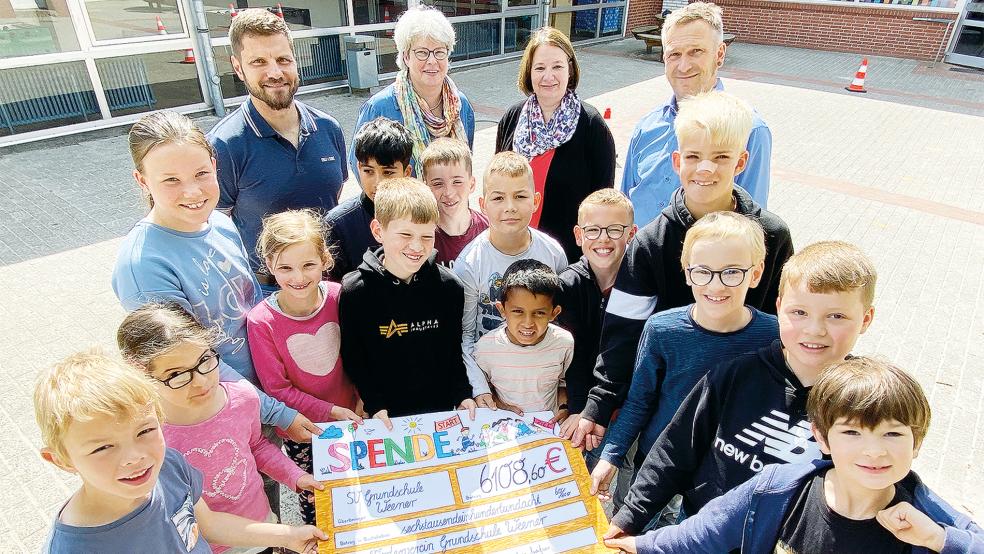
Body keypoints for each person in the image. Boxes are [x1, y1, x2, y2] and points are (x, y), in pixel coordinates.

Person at [603, 240, 877, 539]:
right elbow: (674, 453)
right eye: (799, 312)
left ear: (866, 319)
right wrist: (629, 519)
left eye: (836, 316)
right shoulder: (733, 376)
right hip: (702, 535)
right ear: (779, 307)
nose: (815, 330)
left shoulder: (866, 402)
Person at [572, 90, 792, 452]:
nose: (705, 168)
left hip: (739, 415)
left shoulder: (773, 236)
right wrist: (600, 402)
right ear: (677, 160)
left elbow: (779, 327)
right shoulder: (649, 244)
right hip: (664, 414)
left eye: (721, 157)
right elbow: (622, 332)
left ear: (741, 161)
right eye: (694, 156)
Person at [608, 357, 984, 554]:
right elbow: (704, 534)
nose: (874, 450)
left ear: (917, 442)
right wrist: (639, 544)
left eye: (893, 434)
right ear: (821, 437)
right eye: (851, 432)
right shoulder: (778, 490)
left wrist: (938, 539)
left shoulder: (926, 517)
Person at [589, 212, 779, 525]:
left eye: (731, 272)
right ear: (687, 273)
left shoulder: (773, 337)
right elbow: (639, 401)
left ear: (756, 274)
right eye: (703, 271)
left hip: (721, 476)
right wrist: (611, 455)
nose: (716, 285)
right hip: (656, 464)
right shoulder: (662, 330)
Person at [36, 350, 326, 553]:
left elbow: (207, 523)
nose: (135, 456)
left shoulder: (170, 467)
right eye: (103, 447)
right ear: (60, 459)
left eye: (145, 431)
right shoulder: (73, 547)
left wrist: (288, 536)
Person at [116, 304, 323, 554]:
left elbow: (254, 446)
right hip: (202, 546)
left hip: (261, 526)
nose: (202, 381)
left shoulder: (243, 398)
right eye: (177, 374)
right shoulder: (147, 436)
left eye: (204, 360)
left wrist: (296, 477)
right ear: (142, 375)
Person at [208, 8, 348, 280]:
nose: (275, 72)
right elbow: (216, 230)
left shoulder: (328, 128)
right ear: (238, 67)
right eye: (259, 62)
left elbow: (335, 199)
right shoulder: (224, 145)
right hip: (267, 292)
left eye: (283, 59)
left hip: (329, 282)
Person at [247, 210, 363, 525]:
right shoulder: (261, 322)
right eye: (286, 268)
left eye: (308, 265)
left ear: (325, 259)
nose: (298, 278)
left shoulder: (341, 297)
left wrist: (363, 398)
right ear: (270, 265)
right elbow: (277, 389)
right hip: (304, 433)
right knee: (319, 505)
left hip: (356, 419)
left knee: (363, 497)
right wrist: (331, 411)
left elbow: (363, 355)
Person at [339, 178, 477, 428]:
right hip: (385, 418)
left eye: (426, 236)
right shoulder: (354, 291)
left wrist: (463, 394)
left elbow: (452, 351)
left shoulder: (449, 288)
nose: (416, 246)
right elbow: (354, 357)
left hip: (441, 413)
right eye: (405, 234)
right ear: (378, 231)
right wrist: (374, 403)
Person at [620, 2, 772, 227]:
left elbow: (749, 225)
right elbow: (624, 204)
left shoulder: (749, 130)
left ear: (719, 54)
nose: (683, 66)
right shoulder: (647, 126)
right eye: (674, 54)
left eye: (695, 52)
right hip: (639, 259)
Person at [454, 151, 568, 409]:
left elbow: (561, 322)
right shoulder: (470, 263)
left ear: (536, 200)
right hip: (491, 379)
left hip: (541, 380)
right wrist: (481, 387)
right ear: (482, 204)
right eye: (498, 198)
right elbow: (465, 334)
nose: (510, 207)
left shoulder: (553, 254)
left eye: (520, 196)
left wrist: (563, 386)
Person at [495, 26, 616, 262]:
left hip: (566, 259)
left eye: (557, 66)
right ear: (529, 71)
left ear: (570, 69)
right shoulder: (512, 118)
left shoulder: (591, 125)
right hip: (513, 250)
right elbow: (496, 187)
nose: (548, 76)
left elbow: (603, 203)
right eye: (540, 68)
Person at [555, 188, 637, 511]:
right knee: (584, 480)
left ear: (631, 233)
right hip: (586, 402)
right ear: (578, 235)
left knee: (629, 479)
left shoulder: (640, 283)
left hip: (631, 405)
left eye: (614, 229)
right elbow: (573, 354)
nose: (603, 239)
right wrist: (578, 408)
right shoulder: (568, 285)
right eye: (593, 230)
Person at [351, 5, 475, 176]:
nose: (432, 60)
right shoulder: (379, 107)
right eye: (422, 52)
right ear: (406, 56)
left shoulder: (462, 105)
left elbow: (466, 166)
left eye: (439, 52)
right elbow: (361, 170)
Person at [474, 259, 573, 416]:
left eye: (539, 313)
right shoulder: (485, 348)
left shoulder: (564, 343)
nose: (528, 323)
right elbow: (483, 389)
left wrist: (563, 408)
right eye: (518, 312)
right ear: (502, 310)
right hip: (504, 429)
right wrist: (502, 406)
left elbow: (564, 383)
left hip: (550, 430)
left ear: (554, 313)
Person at [325, 118, 413, 280]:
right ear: (358, 168)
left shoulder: (420, 216)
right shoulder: (337, 225)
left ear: (406, 172)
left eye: (388, 172)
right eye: (369, 171)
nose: (378, 183)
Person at [420, 137, 488, 267]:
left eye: (457, 182)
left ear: (471, 184)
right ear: (426, 188)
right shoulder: (421, 237)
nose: (448, 193)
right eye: (438, 184)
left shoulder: (490, 231)